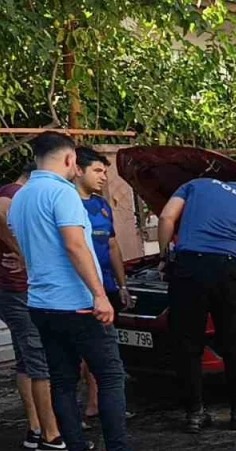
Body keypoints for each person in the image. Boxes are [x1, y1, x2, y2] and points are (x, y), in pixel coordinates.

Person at [7, 131, 165, 451]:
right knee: (110, 376)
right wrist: (98, 294)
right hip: (76, 303)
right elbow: (75, 245)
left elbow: (27, 248)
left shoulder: (21, 197)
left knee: (62, 380)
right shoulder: (62, 193)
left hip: (41, 304)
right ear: (69, 160)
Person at [156, 171, 236, 433]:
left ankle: (194, 414)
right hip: (228, 270)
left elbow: (166, 217)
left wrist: (164, 257)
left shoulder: (196, 184)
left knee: (188, 344)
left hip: (189, 267)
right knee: (234, 344)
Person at [0, 162, 65, 451]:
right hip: (17, 290)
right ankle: (51, 435)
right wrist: (23, 252)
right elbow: (0, 213)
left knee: (27, 359)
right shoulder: (14, 193)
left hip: (14, 289)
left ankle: (37, 428)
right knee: (38, 358)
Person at [74, 147, 132, 423]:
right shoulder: (67, 204)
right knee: (81, 355)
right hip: (79, 291)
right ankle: (86, 406)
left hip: (106, 287)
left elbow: (112, 246)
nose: (104, 177)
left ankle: (101, 403)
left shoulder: (102, 206)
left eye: (105, 172)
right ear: (78, 170)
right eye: (97, 171)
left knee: (106, 351)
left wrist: (122, 285)